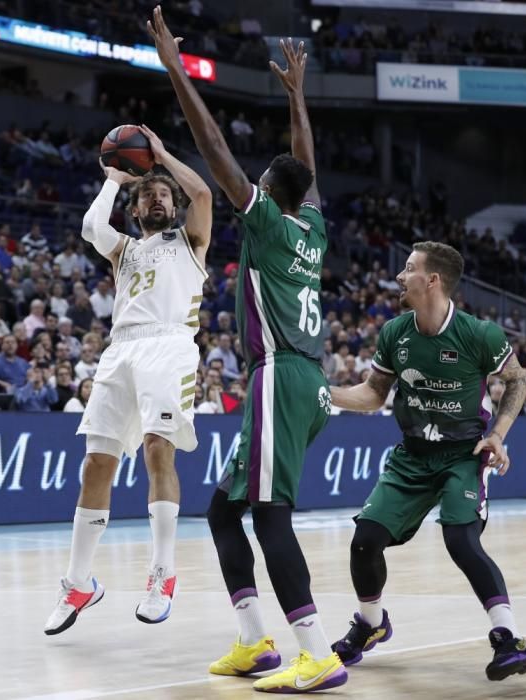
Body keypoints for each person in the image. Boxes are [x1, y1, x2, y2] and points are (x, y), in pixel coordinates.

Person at [150, 12, 346, 693]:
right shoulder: (311, 223)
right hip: (305, 380)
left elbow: (213, 150)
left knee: (268, 515)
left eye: (260, 180)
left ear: (267, 194)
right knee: (223, 509)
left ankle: (316, 650)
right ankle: (254, 640)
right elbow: (306, 166)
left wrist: (176, 70)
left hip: (281, 375)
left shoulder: (264, 217)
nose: (251, 184)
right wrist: (297, 97)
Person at [328, 241, 526, 682]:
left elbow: (517, 381)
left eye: (408, 269)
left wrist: (497, 435)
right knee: (365, 541)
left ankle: (509, 638)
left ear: (433, 280)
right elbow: (373, 394)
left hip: (463, 454)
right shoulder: (394, 333)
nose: (399, 277)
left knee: (461, 542)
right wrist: (323, 392)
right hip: (412, 455)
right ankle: (370, 625)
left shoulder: (479, 334)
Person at [43, 122, 211, 634]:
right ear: (137, 210)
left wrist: (160, 154)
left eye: (164, 194)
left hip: (170, 343)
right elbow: (93, 229)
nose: (159, 199)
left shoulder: (191, 240)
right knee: (97, 462)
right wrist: (114, 180)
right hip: (121, 351)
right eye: (150, 195)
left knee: (158, 448)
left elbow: (202, 191)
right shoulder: (126, 250)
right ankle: (78, 583)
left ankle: (163, 573)